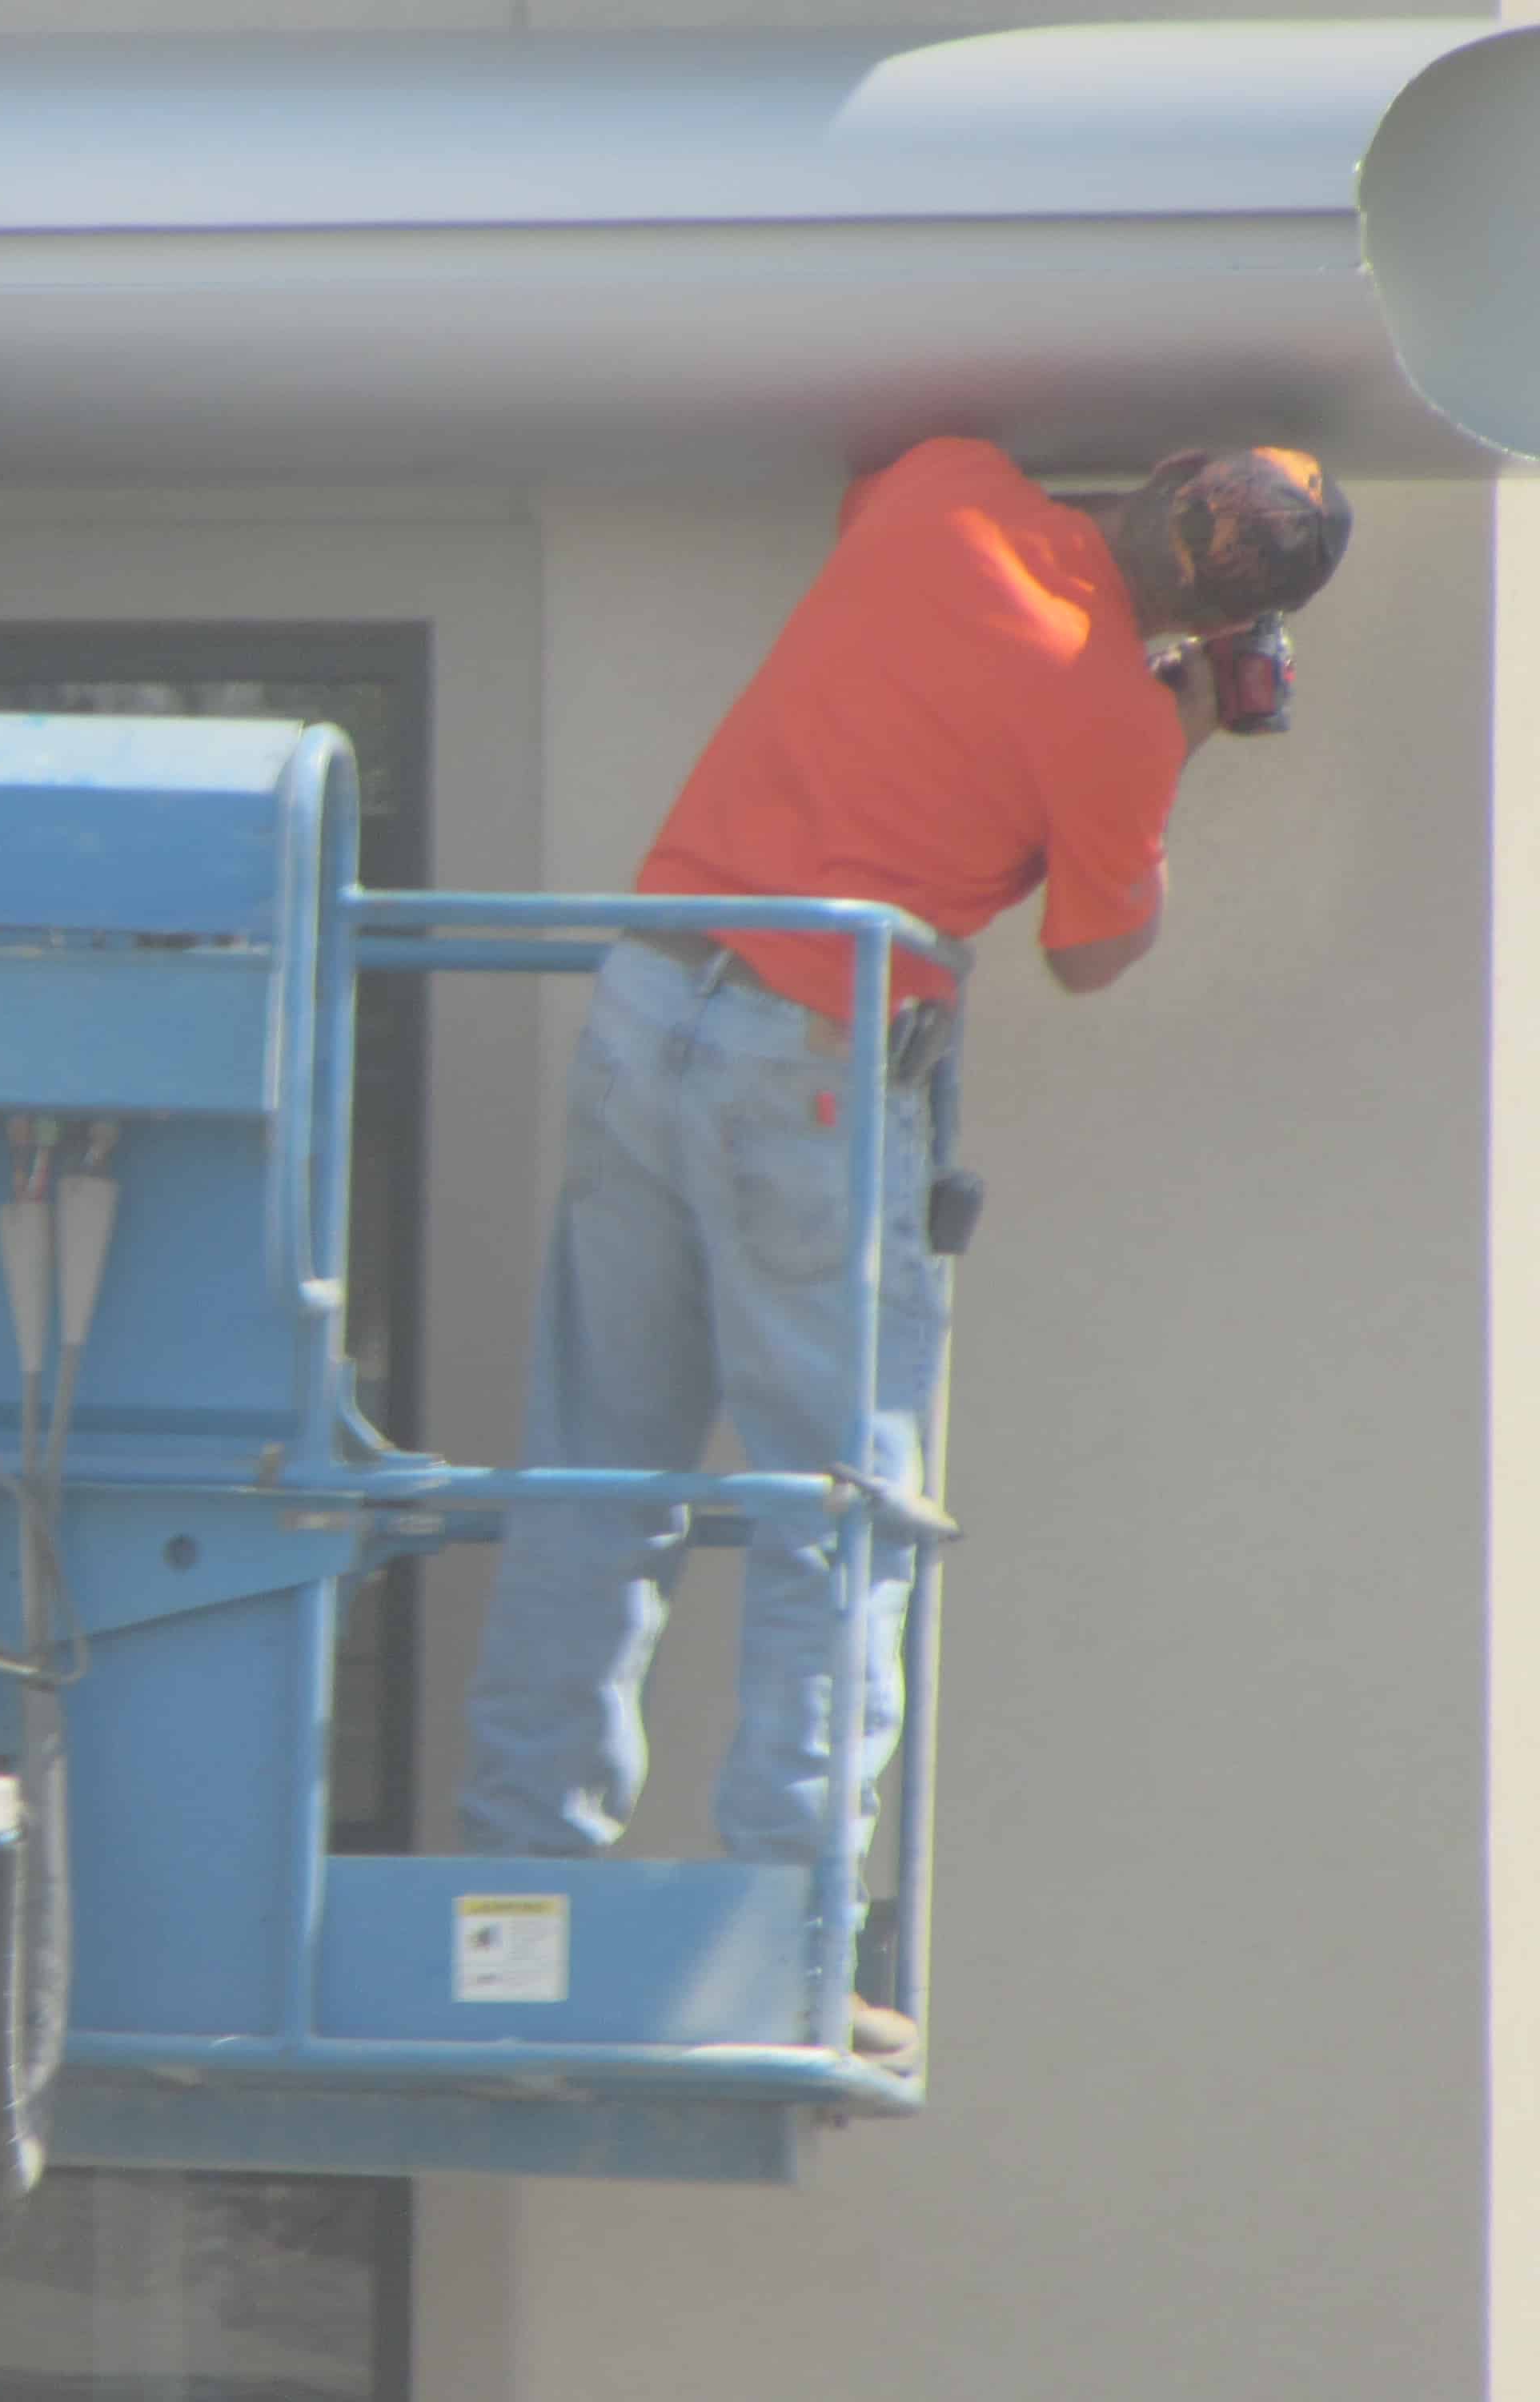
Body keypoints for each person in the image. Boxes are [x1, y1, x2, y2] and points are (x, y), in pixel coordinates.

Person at [455, 440, 1353, 2055]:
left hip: (651, 985)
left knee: (596, 1462)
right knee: (830, 1507)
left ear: (1149, 479)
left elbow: (883, 512)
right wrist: (1184, 729)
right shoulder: (1105, 719)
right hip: (811, 1055)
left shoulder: (945, 490)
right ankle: (792, 1932)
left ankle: (516, 1884)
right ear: (1238, 618)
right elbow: (1092, 953)